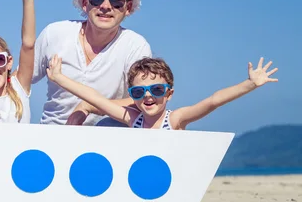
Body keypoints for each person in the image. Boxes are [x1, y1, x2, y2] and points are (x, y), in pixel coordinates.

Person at [31, 0, 151, 126]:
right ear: (84, 3)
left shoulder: (135, 46)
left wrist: (89, 106)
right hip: (51, 139)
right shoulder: (55, 33)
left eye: (116, 0)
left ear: (128, 7)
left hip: (106, 144)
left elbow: (143, 100)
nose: (106, 6)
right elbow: (20, 82)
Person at [46, 55, 278, 130]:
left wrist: (249, 84)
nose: (148, 96)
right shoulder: (133, 118)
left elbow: (212, 101)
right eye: (138, 92)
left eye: (156, 90)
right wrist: (58, 78)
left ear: (169, 94)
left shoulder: (175, 119)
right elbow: (93, 97)